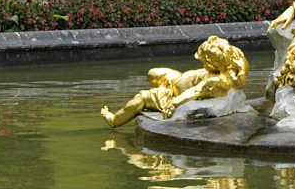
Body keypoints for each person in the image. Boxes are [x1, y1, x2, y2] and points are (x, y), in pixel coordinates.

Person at [100, 36, 250, 126]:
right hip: (180, 78)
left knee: (142, 97)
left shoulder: (216, 81)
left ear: (212, 63)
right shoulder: (231, 60)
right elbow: (241, 64)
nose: (202, 64)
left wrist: (174, 103)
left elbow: (195, 91)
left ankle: (115, 120)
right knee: (153, 74)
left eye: (203, 61)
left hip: (173, 93)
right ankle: (160, 89)